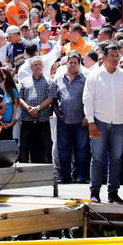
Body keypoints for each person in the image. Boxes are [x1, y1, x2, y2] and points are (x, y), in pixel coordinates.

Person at [83, 45, 123, 203]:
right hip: (99, 121)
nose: (116, 58)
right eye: (112, 55)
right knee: (97, 158)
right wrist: (91, 122)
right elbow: (87, 100)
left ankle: (113, 192)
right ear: (104, 57)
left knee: (116, 158)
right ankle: (95, 191)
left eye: (117, 55)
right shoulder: (94, 75)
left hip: (120, 123)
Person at [53, 53, 89, 184]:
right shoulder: (58, 79)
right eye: (70, 62)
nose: (72, 65)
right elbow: (54, 99)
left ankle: (80, 175)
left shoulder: (84, 79)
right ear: (66, 63)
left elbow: (89, 100)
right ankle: (64, 175)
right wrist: (57, 113)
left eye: (75, 63)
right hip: (63, 120)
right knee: (63, 149)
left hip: (81, 121)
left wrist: (87, 117)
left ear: (79, 65)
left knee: (81, 148)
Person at [17, 57, 56, 163]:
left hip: (42, 120)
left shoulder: (49, 82)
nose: (37, 67)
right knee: (24, 148)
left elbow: (51, 98)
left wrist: (38, 108)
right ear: (31, 67)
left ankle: (45, 172)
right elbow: (19, 98)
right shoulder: (24, 81)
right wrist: (29, 109)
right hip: (27, 120)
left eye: (39, 64)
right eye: (35, 65)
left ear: (43, 66)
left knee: (44, 148)